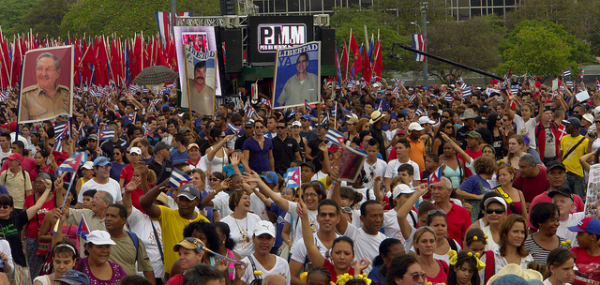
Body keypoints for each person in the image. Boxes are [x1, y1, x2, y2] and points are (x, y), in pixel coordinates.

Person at [140, 182, 209, 279]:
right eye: (181, 199)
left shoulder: (205, 223)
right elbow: (144, 203)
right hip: (171, 277)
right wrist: (162, 185)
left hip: (196, 278)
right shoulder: (167, 214)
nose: (183, 203)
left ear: (197, 201)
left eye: (188, 200)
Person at [298, 198, 370, 282]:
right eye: (337, 252)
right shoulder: (326, 270)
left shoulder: (359, 273)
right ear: (331, 255)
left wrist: (357, 273)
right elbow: (310, 245)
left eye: (347, 253)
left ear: (353, 257)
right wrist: (305, 217)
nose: (342, 257)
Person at [104, 203, 155, 283]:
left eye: (113, 216)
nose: (108, 219)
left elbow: (147, 268)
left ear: (123, 220)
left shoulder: (134, 240)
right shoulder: (100, 240)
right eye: (107, 215)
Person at [235, 221, 291, 285]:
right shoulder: (245, 264)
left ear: (273, 240)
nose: (264, 242)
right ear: (253, 239)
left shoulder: (283, 264)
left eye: (268, 238)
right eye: (260, 237)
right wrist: (237, 278)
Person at [20, 52, 70, 121]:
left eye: (48, 69)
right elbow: (23, 126)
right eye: (39, 69)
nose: (43, 74)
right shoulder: (26, 96)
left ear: (58, 73)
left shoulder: (66, 93)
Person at [220, 189, 262, 259]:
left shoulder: (256, 218)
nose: (248, 200)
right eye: (245, 198)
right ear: (235, 202)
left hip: (253, 261)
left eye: (249, 198)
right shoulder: (224, 222)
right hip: (233, 261)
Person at [560, 117, 588, 198]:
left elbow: (587, 158)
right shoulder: (564, 139)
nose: (566, 127)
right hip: (565, 173)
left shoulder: (585, 141)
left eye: (568, 126)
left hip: (578, 174)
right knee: (565, 196)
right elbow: (561, 156)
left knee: (577, 197)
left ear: (575, 127)